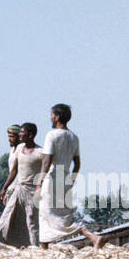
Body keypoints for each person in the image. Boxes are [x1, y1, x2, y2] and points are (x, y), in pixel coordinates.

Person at [36, 103, 101, 248]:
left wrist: (39, 183)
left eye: (52, 115)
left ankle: (44, 248)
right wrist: (70, 181)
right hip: (65, 179)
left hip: (52, 179)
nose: (50, 117)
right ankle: (90, 235)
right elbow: (77, 164)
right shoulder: (74, 137)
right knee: (64, 216)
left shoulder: (51, 135)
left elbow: (46, 162)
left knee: (46, 214)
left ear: (57, 117)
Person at [0, 122, 41, 247]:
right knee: (7, 214)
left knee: (31, 221)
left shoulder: (40, 152)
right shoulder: (19, 149)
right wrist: (4, 189)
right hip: (19, 188)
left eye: (22, 134)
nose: (20, 137)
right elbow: (14, 171)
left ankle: (34, 247)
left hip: (32, 191)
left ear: (30, 135)